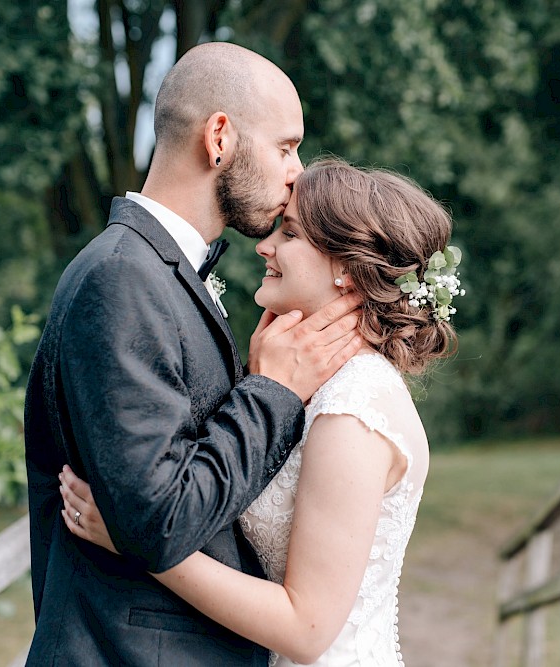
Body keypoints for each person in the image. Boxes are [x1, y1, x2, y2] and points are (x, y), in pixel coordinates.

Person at [23, 43, 363, 666]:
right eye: (286, 147)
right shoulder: (123, 277)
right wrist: (273, 394)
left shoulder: (158, 271)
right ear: (219, 138)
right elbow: (160, 522)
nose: (298, 171)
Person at [59, 157, 463, 666]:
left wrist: (136, 540)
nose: (264, 246)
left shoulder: (353, 411)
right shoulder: (318, 387)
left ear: (345, 267)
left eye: (289, 234)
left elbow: (306, 628)